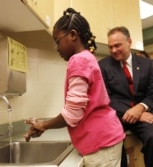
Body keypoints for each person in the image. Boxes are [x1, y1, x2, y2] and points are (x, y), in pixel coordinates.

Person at [24, 8, 125, 167]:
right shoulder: (87, 58)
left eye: (57, 41)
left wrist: (44, 125)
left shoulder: (78, 60)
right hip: (105, 139)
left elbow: (72, 113)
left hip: (101, 142)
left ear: (73, 35)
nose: (57, 48)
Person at [99, 26, 153, 167]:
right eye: (110, 47)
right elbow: (106, 97)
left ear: (129, 42)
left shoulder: (146, 64)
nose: (113, 50)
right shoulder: (103, 66)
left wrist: (140, 108)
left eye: (117, 45)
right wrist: (135, 112)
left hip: (142, 113)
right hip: (117, 116)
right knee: (114, 140)